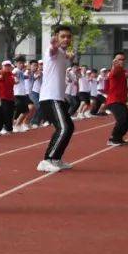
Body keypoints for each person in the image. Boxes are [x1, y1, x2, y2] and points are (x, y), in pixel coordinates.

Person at [36, 25, 75, 172]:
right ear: (56, 37)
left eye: (68, 36)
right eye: (62, 36)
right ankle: (47, 160)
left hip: (58, 98)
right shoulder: (52, 51)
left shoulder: (63, 54)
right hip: (49, 97)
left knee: (69, 127)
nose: (66, 39)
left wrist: (69, 57)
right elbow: (52, 50)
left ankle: (56, 159)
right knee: (64, 127)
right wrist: (53, 44)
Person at [104, 52, 128, 146]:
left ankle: (118, 137)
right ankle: (112, 138)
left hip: (121, 101)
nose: (121, 61)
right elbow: (114, 71)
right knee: (121, 118)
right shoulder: (114, 70)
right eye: (119, 59)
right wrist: (114, 65)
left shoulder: (124, 71)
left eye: (122, 59)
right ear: (115, 61)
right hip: (114, 100)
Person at [0, 60, 15, 135]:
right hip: (3, 97)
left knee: (10, 113)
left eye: (8, 66)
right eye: (6, 66)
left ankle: (9, 129)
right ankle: (3, 127)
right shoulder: (2, 73)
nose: (7, 67)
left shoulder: (11, 74)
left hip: (11, 97)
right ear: (3, 67)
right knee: (5, 113)